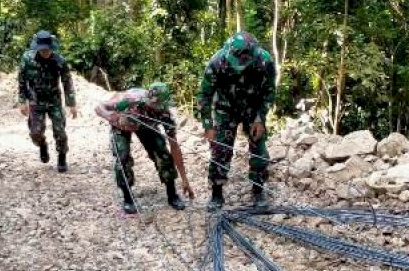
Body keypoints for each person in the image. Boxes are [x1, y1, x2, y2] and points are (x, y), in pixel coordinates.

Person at [195, 31, 276, 211]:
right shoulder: (217, 62)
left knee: (259, 148)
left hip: (252, 108)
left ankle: (258, 190)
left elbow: (269, 92)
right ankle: (216, 193)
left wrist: (260, 118)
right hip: (225, 109)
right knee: (220, 148)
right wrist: (208, 126)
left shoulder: (265, 61)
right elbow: (204, 96)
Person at [95, 82, 195, 214]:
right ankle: (127, 198)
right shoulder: (130, 100)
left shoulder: (165, 114)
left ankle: (172, 195)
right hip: (122, 125)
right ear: (151, 102)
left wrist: (184, 179)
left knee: (162, 151)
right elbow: (99, 106)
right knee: (122, 156)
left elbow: (174, 146)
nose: (162, 108)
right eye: (159, 105)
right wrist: (109, 116)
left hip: (147, 125)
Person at [17, 30, 77, 172]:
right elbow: (21, 80)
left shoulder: (59, 61)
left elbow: (67, 82)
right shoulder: (27, 59)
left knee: (60, 132)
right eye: (42, 50)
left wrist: (72, 104)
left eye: (47, 50)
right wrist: (22, 100)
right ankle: (43, 145)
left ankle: (62, 157)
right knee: (35, 133)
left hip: (54, 101)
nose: (45, 52)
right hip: (35, 101)